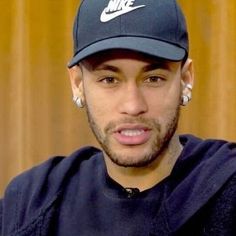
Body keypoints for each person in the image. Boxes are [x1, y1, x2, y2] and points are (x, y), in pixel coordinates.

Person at [1, 0, 236, 235]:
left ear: (185, 79)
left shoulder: (227, 187)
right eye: (109, 80)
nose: (132, 106)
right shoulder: (29, 205)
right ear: (78, 84)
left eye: (153, 78)